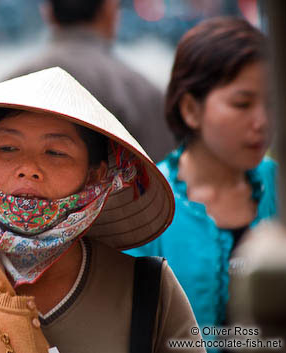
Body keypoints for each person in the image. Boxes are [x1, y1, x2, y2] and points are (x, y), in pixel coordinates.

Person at [0, 67, 203, 353]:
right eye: (7, 148)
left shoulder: (147, 288)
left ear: (95, 175)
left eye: (55, 152)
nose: (28, 168)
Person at [125, 17, 277, 330]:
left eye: (272, 103)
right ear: (191, 109)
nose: (262, 120)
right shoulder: (147, 205)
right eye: (242, 103)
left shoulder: (279, 184)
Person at [7, 0, 175, 162]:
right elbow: (163, 176)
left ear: (48, 12)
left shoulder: (12, 85)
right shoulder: (140, 92)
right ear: (109, 10)